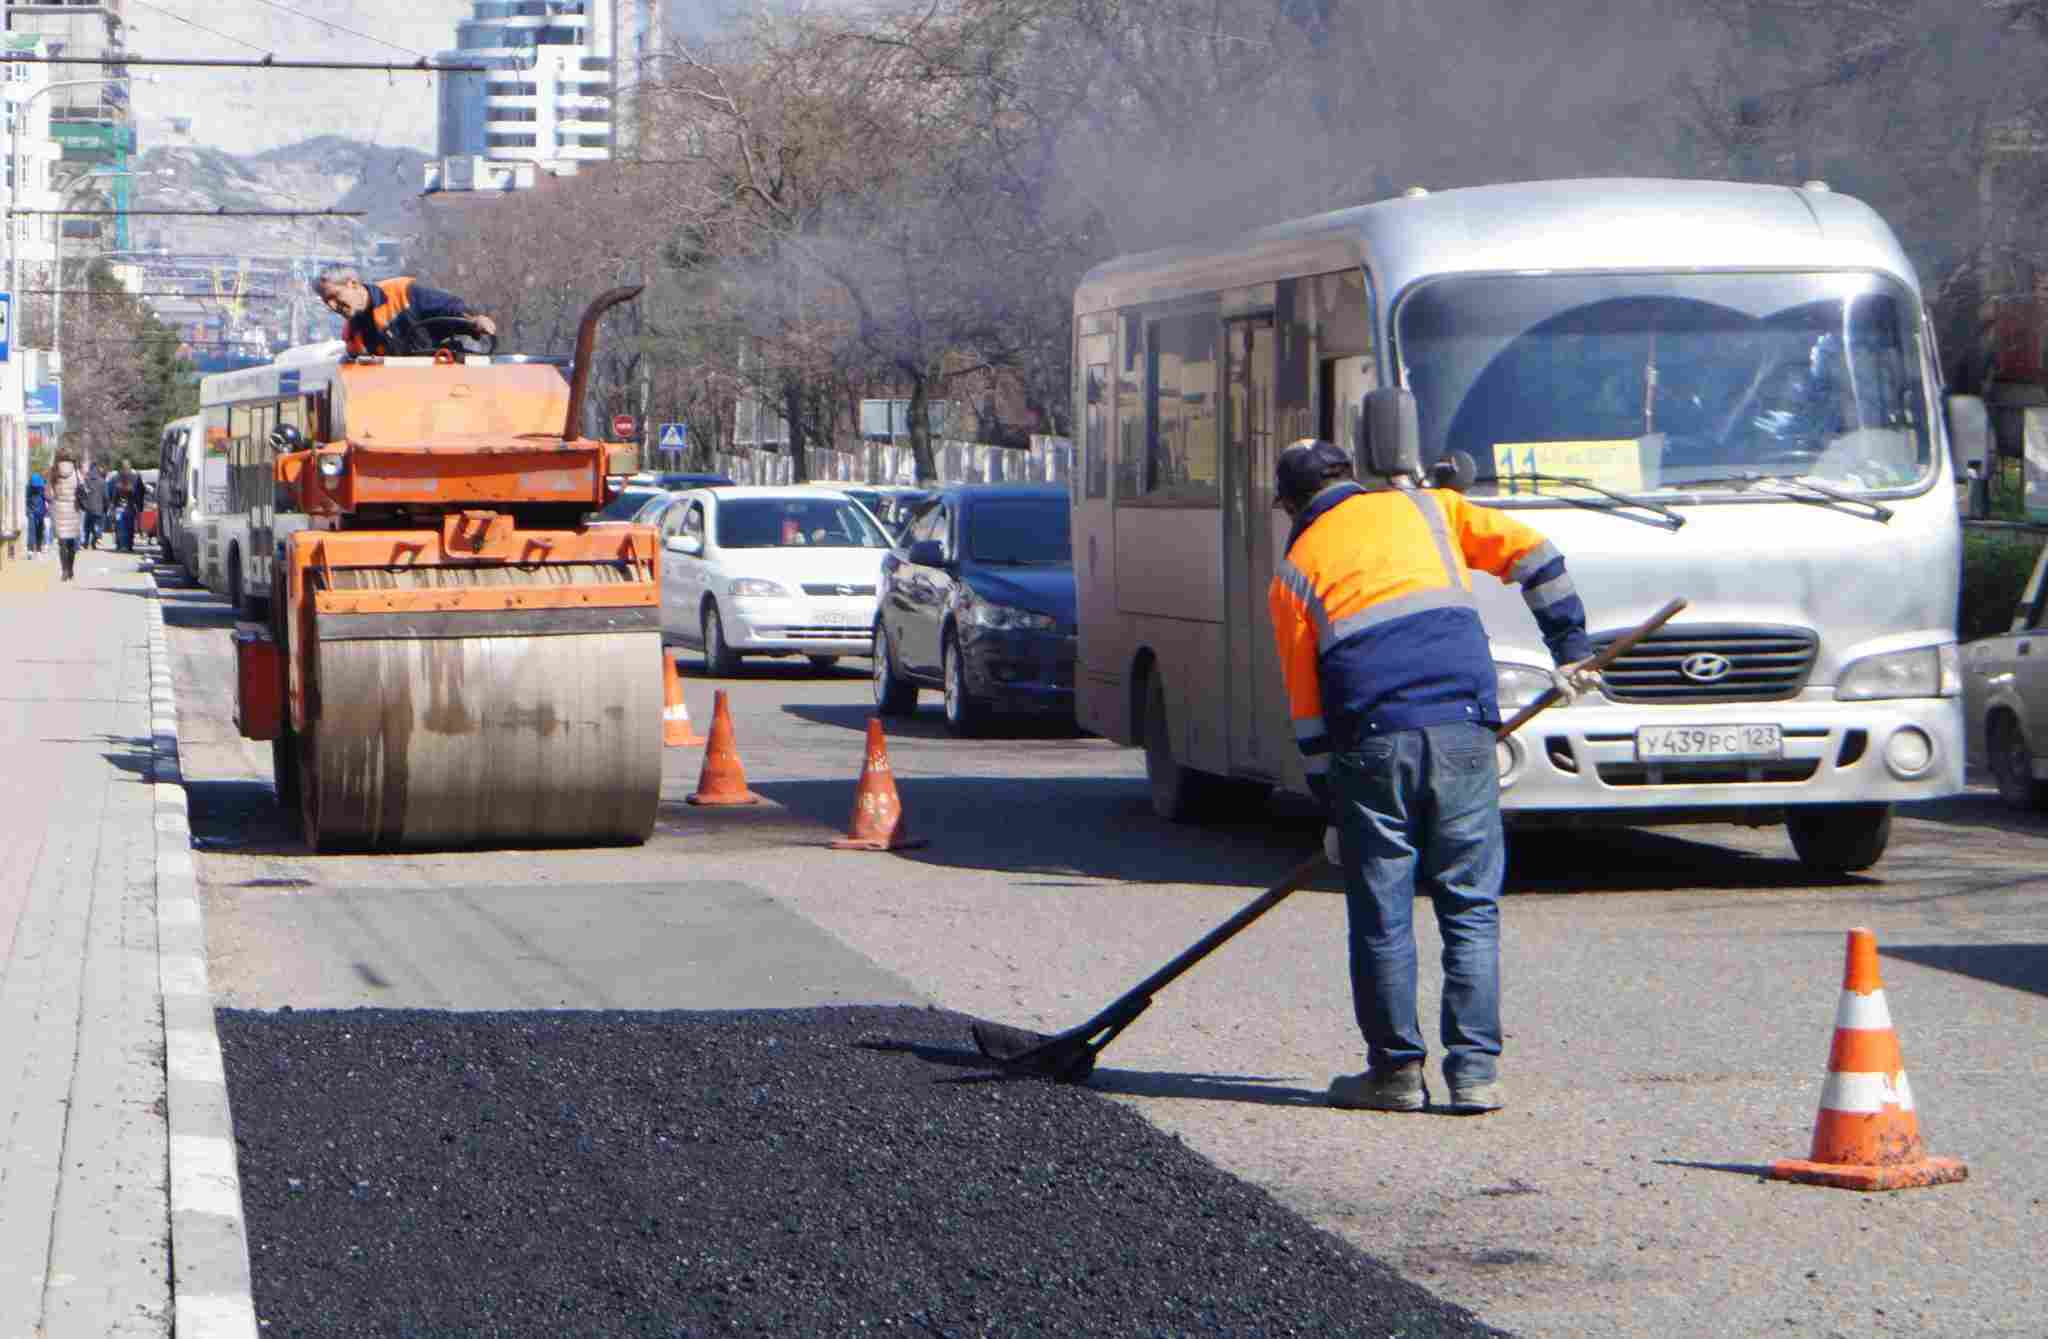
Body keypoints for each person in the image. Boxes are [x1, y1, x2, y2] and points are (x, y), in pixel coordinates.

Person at [1267, 438, 1600, 1116]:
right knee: (1469, 904)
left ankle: (1395, 1074)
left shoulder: (1295, 572)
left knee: (1382, 914)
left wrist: (1331, 806)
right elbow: (1537, 555)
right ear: (1349, 480)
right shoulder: (1428, 509)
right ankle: (1475, 1073)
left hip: (1370, 745)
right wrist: (1570, 648)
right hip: (1463, 729)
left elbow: (1307, 713)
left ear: (1293, 505)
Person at [312, 265, 497, 357]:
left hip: (441, 381)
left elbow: (450, 309)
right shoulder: (353, 337)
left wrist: (475, 321)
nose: (332, 306)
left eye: (335, 297)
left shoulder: (402, 292)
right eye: (326, 302)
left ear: (352, 284)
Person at [50, 452, 82, 582]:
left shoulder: (54, 473)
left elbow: (50, 494)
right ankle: (71, 570)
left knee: (62, 542)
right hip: (73, 509)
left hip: (59, 509)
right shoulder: (76, 473)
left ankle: (64, 571)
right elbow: (82, 489)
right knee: (71, 542)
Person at [112, 465, 141, 553]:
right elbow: (137, 495)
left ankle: (120, 545)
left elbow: (113, 496)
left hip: (119, 509)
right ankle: (128, 546)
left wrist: (113, 505)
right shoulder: (133, 483)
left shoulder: (117, 482)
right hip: (129, 508)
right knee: (129, 528)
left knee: (120, 528)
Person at [79, 463, 108, 551]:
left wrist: (83, 505)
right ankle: (94, 542)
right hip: (99, 508)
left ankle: (86, 543)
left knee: (87, 527)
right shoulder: (102, 482)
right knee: (97, 526)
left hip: (87, 508)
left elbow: (81, 494)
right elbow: (106, 496)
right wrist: (105, 507)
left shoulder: (85, 481)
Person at [25, 470, 47, 555]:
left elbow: (26, 499)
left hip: (33, 511)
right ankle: (38, 549)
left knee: (32, 530)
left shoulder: (29, 487)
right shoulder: (42, 486)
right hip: (40, 511)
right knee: (39, 530)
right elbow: (47, 498)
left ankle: (31, 549)